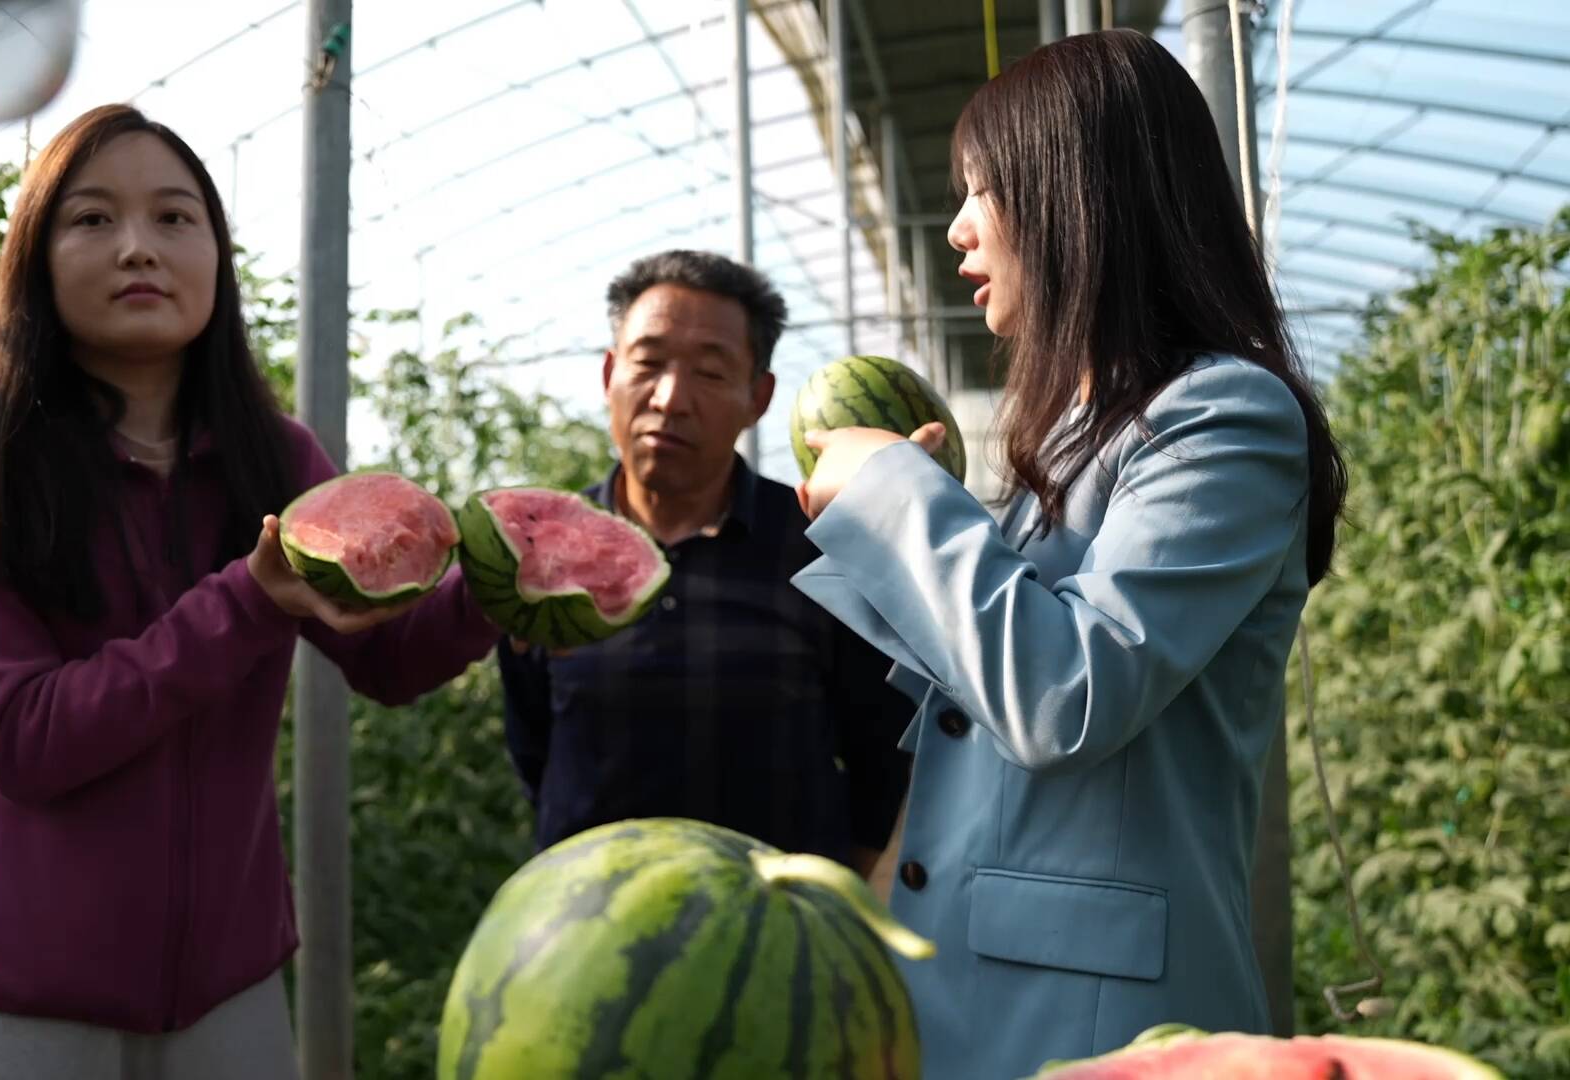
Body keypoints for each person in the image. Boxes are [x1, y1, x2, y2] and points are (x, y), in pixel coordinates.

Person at [0, 104, 499, 1079]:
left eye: (176, 218)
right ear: (36, 258)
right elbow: (22, 740)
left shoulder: (275, 457)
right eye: (92, 219)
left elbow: (387, 657)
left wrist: (501, 587)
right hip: (9, 995)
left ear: (218, 255)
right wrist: (248, 603)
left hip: (230, 991)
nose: (139, 247)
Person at [790, 30, 1348, 1080]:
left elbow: (1065, 691)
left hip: (1100, 1022)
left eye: (980, 191)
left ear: (1074, 193)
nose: (955, 230)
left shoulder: (1225, 416)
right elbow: (981, 697)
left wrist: (898, 498)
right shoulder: (1071, 438)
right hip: (971, 996)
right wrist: (897, 520)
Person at [497, 250, 915, 876]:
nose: (670, 399)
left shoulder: (825, 549)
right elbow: (533, 745)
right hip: (586, 933)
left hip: (779, 940)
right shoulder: (544, 554)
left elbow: (882, 760)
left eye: (711, 373)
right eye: (648, 363)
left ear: (759, 398)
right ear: (610, 373)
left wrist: (840, 914)